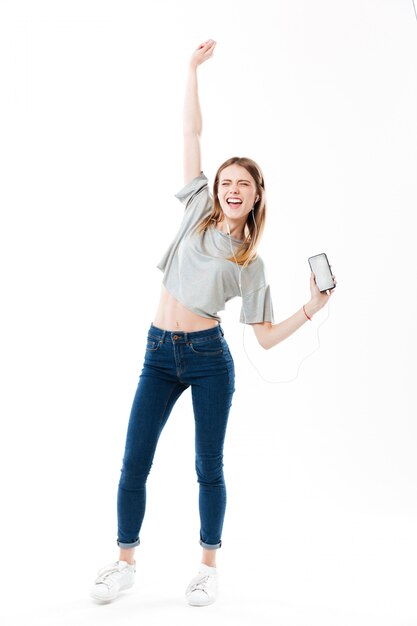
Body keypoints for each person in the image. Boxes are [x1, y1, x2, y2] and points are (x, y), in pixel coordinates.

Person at [90, 39, 336, 607]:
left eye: (242, 185)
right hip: (158, 352)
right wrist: (191, 70)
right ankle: (124, 561)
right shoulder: (197, 206)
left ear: (254, 199)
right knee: (134, 460)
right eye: (227, 181)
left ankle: (207, 566)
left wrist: (309, 309)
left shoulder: (252, 262)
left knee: (208, 466)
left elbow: (266, 340)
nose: (231, 189)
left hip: (208, 361)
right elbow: (190, 136)